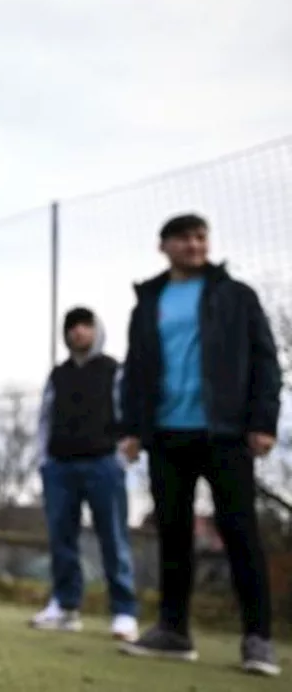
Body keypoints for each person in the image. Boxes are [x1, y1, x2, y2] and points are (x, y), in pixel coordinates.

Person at [116, 213, 281, 677]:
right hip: (167, 433)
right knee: (172, 534)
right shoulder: (149, 303)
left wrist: (263, 421)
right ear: (164, 245)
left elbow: (266, 362)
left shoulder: (236, 296)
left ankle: (257, 639)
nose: (195, 245)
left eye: (201, 237)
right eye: (185, 239)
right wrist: (131, 428)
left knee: (240, 533)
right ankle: (173, 632)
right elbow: (136, 371)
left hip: (225, 432)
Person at [28, 306, 138, 641]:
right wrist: (43, 459)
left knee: (113, 539)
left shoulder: (112, 370)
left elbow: (127, 410)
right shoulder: (58, 375)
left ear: (96, 330)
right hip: (59, 467)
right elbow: (45, 417)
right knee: (61, 538)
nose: (78, 332)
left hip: (103, 464)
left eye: (85, 325)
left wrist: (121, 456)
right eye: (72, 326)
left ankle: (123, 612)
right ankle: (65, 606)